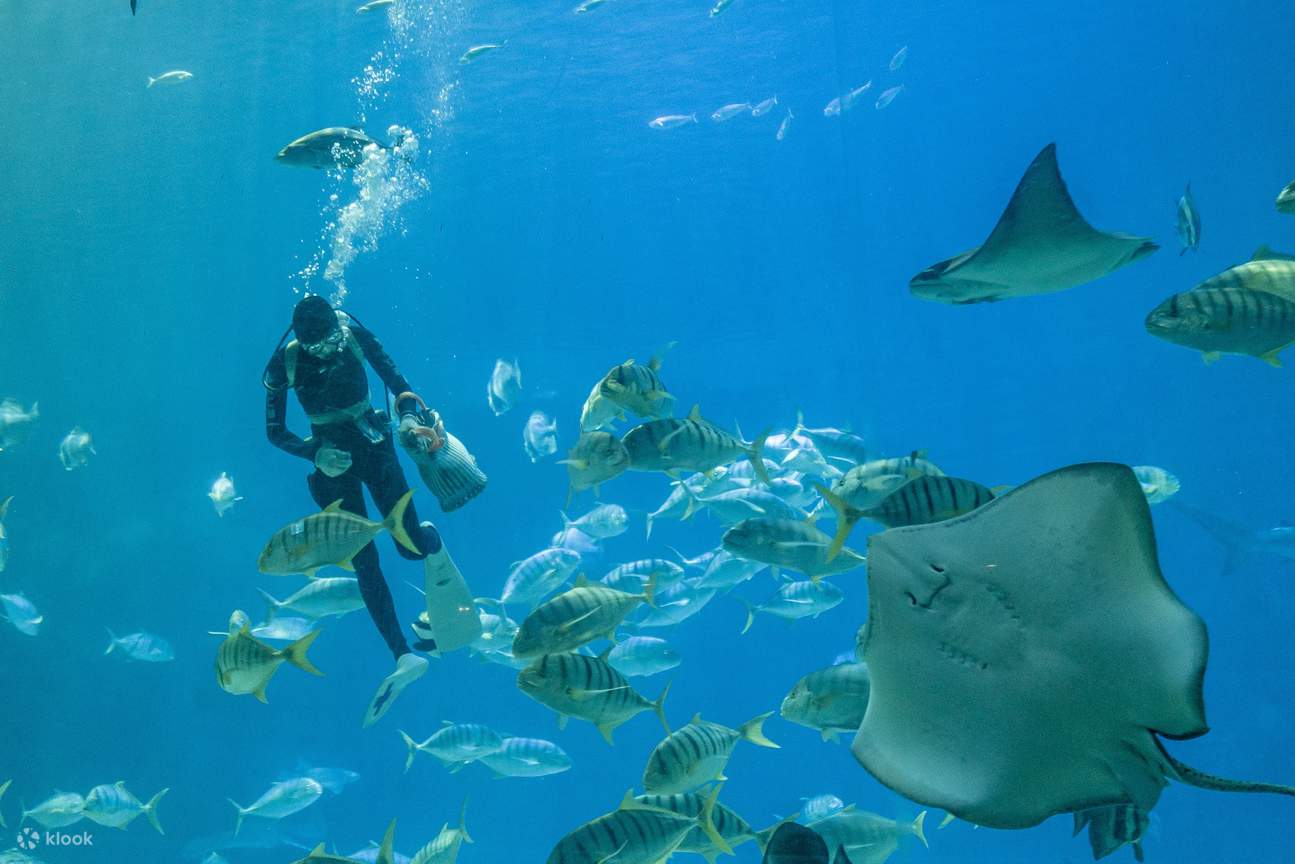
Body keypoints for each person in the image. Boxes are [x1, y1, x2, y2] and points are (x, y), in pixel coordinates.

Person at [262, 294, 464, 726]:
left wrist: (409, 419)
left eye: (328, 343)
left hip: (375, 446)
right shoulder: (285, 363)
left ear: (337, 328)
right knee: (363, 562)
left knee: (409, 549)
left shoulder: (353, 335)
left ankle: (430, 541)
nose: (323, 352)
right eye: (313, 347)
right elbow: (275, 431)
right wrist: (313, 452)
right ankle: (402, 656)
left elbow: (400, 385)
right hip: (329, 462)